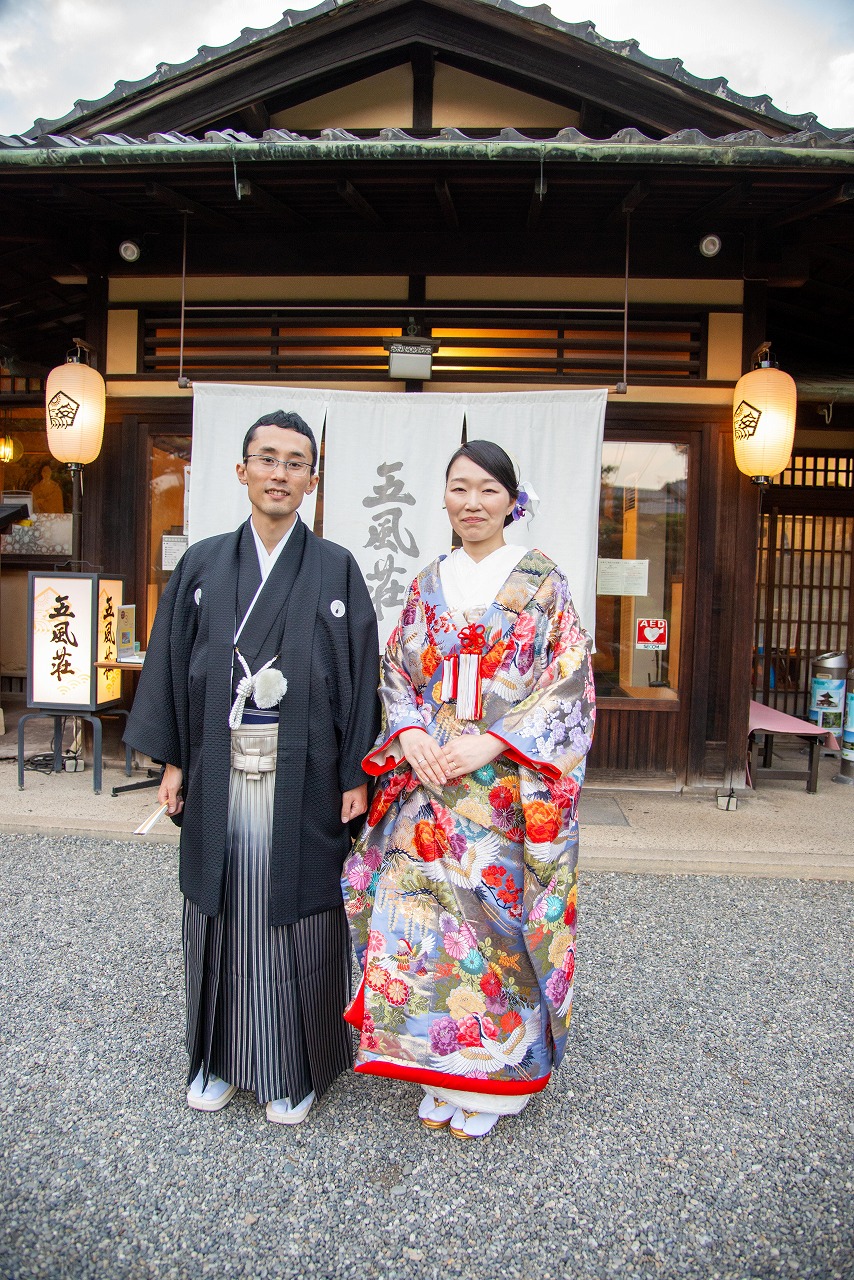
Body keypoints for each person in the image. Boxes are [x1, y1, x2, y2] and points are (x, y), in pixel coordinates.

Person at [125, 410, 379, 1125]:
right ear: (242, 471)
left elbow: (361, 674)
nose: (279, 473)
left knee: (300, 909)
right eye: (267, 459)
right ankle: (216, 1059)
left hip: (307, 770)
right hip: (218, 763)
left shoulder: (335, 567)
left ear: (312, 481)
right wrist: (174, 760)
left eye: (295, 463)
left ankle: (294, 1068)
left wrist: (356, 773)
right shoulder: (204, 563)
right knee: (223, 906)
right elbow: (173, 663)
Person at [341, 439, 595, 1139]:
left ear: (513, 501)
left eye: (488, 489)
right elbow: (397, 671)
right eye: (459, 488)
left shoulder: (542, 581)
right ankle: (437, 1066)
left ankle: (502, 1079)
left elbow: (568, 680)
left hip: (506, 791)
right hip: (429, 788)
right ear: (445, 497)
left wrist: (492, 741)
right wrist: (411, 734)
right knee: (426, 932)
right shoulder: (428, 583)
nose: (472, 502)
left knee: (496, 933)